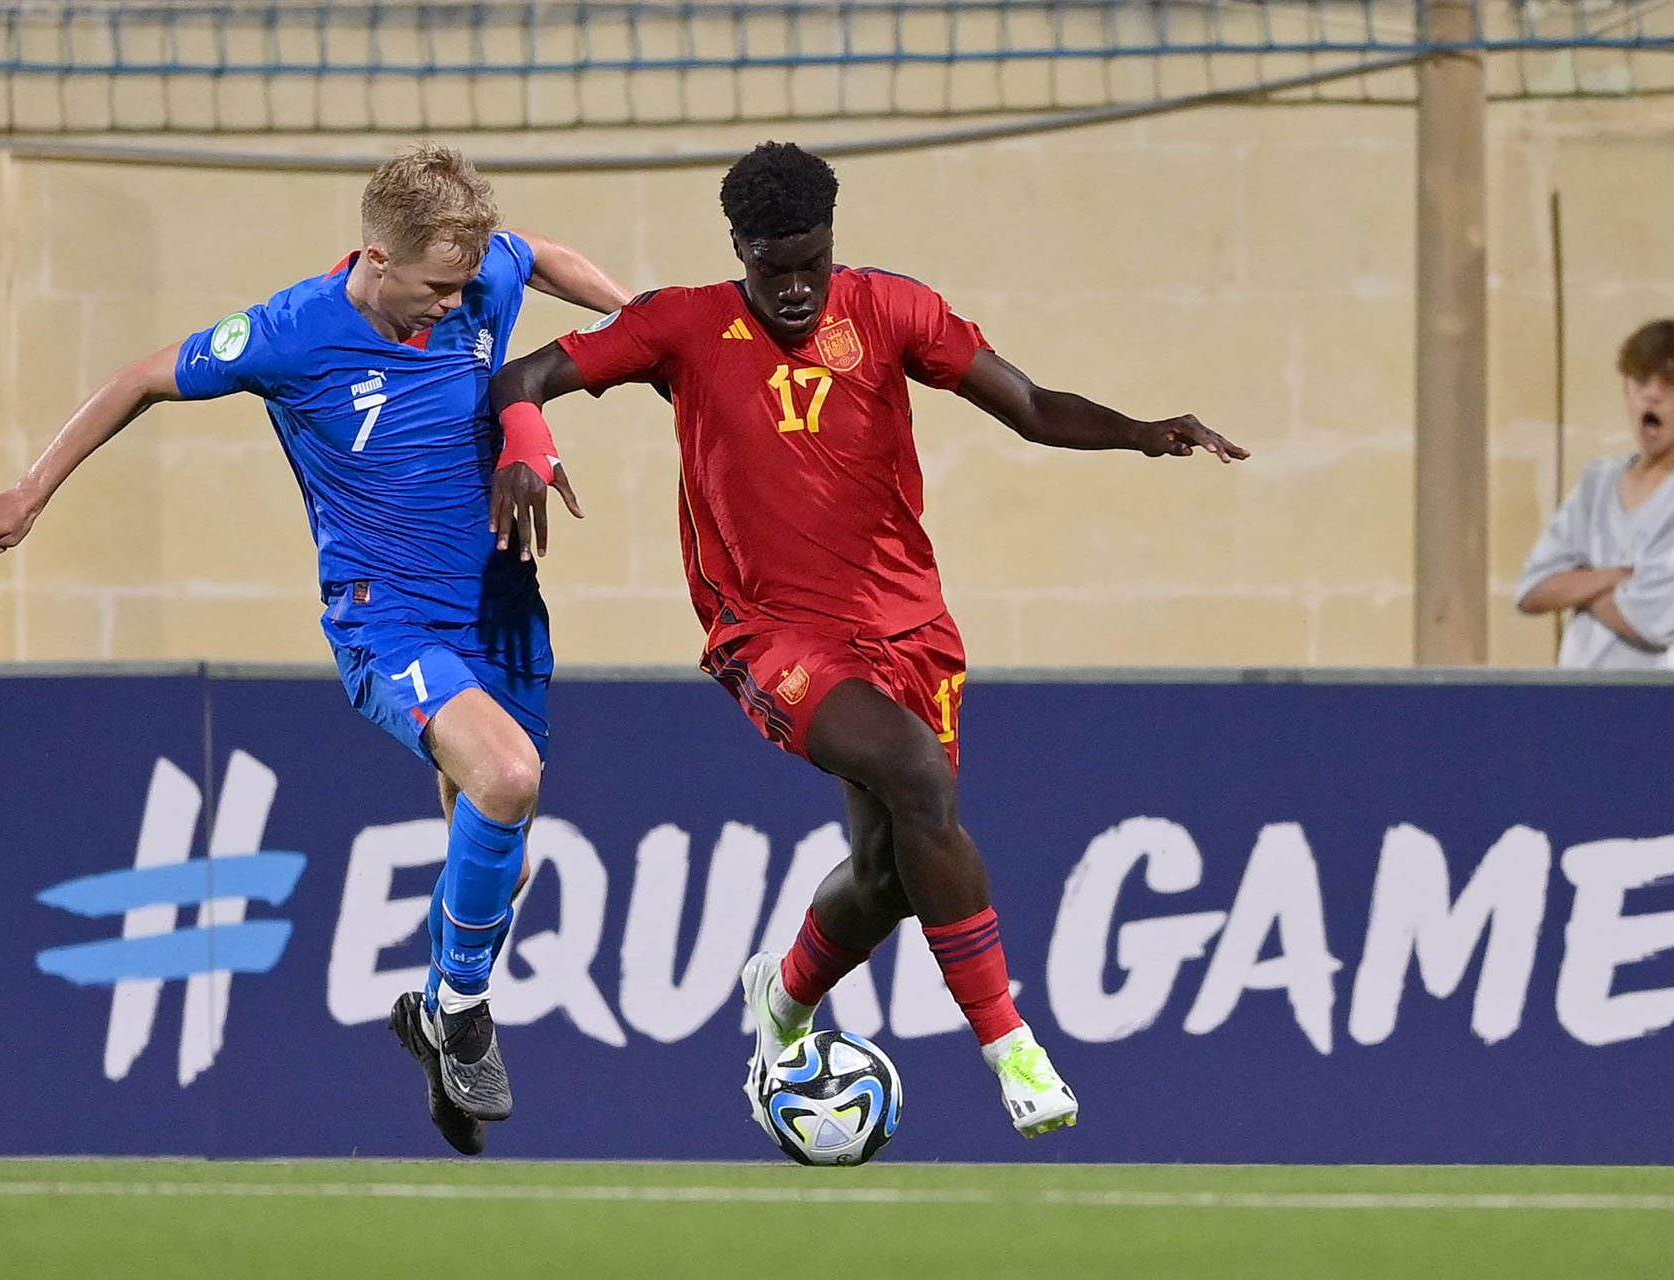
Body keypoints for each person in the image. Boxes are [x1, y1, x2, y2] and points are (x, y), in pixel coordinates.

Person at [487, 141, 1246, 1140]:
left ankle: (784, 996)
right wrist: (527, 448)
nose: (796, 287)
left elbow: (1027, 406)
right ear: (740, 250)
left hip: (911, 628)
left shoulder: (890, 310)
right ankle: (1012, 1044)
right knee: (919, 774)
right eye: (774, 267)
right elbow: (522, 375)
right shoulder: (679, 324)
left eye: (812, 261)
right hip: (770, 631)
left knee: (890, 874)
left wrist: (1143, 430)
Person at [0, 144, 630, 1156]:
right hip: (388, 615)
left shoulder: (476, 269)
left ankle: (437, 1012)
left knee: (498, 858)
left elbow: (542, 259)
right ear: (376, 257)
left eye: (465, 285)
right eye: (438, 289)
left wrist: (639, 322)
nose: (458, 305)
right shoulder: (290, 333)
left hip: (500, 605)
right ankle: (465, 1010)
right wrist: (31, 487)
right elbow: (143, 375)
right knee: (510, 773)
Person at [1517, 318, 1674, 669]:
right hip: (1580, 697)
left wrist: (1579, 584)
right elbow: (1532, 589)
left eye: (1672, 385)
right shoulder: (1597, 481)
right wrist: (1614, 577)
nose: (1652, 394)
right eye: (1640, 381)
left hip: (1666, 705)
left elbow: (1651, 621)